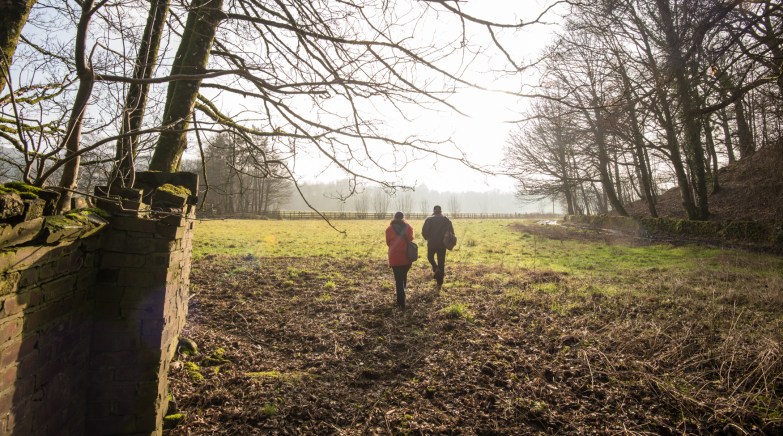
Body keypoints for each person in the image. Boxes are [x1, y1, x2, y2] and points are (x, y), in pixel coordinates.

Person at [385, 211, 414, 310]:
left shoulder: (389, 229)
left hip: (395, 257)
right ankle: (402, 296)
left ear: (394, 218)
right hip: (407, 256)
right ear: (403, 218)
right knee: (403, 276)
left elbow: (388, 243)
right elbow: (411, 239)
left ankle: (401, 303)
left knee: (398, 280)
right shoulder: (408, 227)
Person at [421, 205, 454, 291]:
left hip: (432, 243)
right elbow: (452, 233)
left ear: (434, 211)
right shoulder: (446, 220)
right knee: (441, 262)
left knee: (430, 257)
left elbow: (424, 232)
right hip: (442, 244)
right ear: (441, 211)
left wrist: (428, 238)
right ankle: (439, 283)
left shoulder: (429, 219)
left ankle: (435, 268)